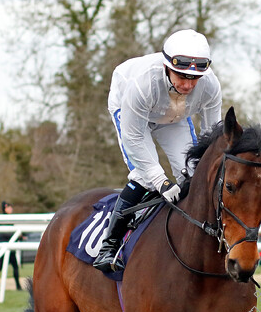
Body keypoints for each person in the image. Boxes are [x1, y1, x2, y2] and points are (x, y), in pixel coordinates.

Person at [93, 29, 222, 273]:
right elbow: (132, 137)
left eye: (194, 79)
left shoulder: (210, 86)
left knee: (193, 173)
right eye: (181, 76)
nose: (187, 84)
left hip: (173, 116)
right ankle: (109, 246)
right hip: (131, 111)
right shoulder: (142, 83)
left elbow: (211, 135)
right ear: (167, 66)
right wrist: (161, 181)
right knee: (146, 177)